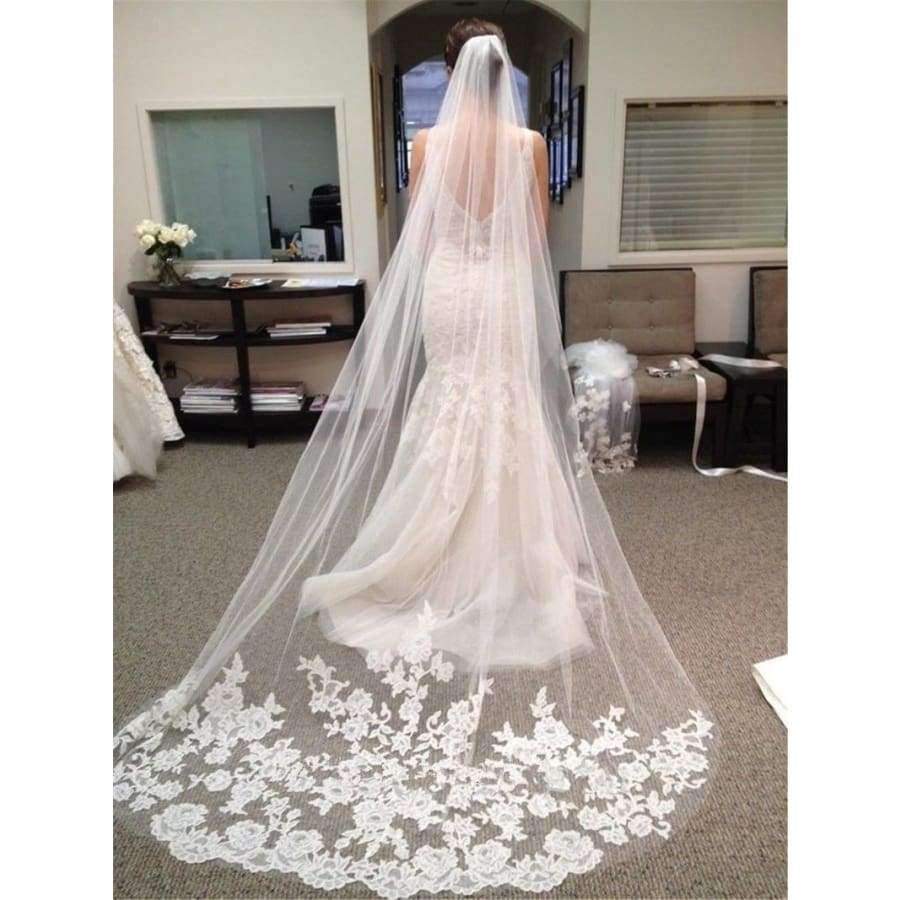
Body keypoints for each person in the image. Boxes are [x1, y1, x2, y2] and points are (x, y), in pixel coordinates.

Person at [114, 20, 715, 898]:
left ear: (448, 68)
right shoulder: (529, 144)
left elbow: (426, 235)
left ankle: (424, 550)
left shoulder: (427, 141)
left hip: (450, 290)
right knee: (504, 402)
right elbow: (533, 235)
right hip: (500, 288)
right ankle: (506, 555)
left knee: (450, 398)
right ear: (505, 73)